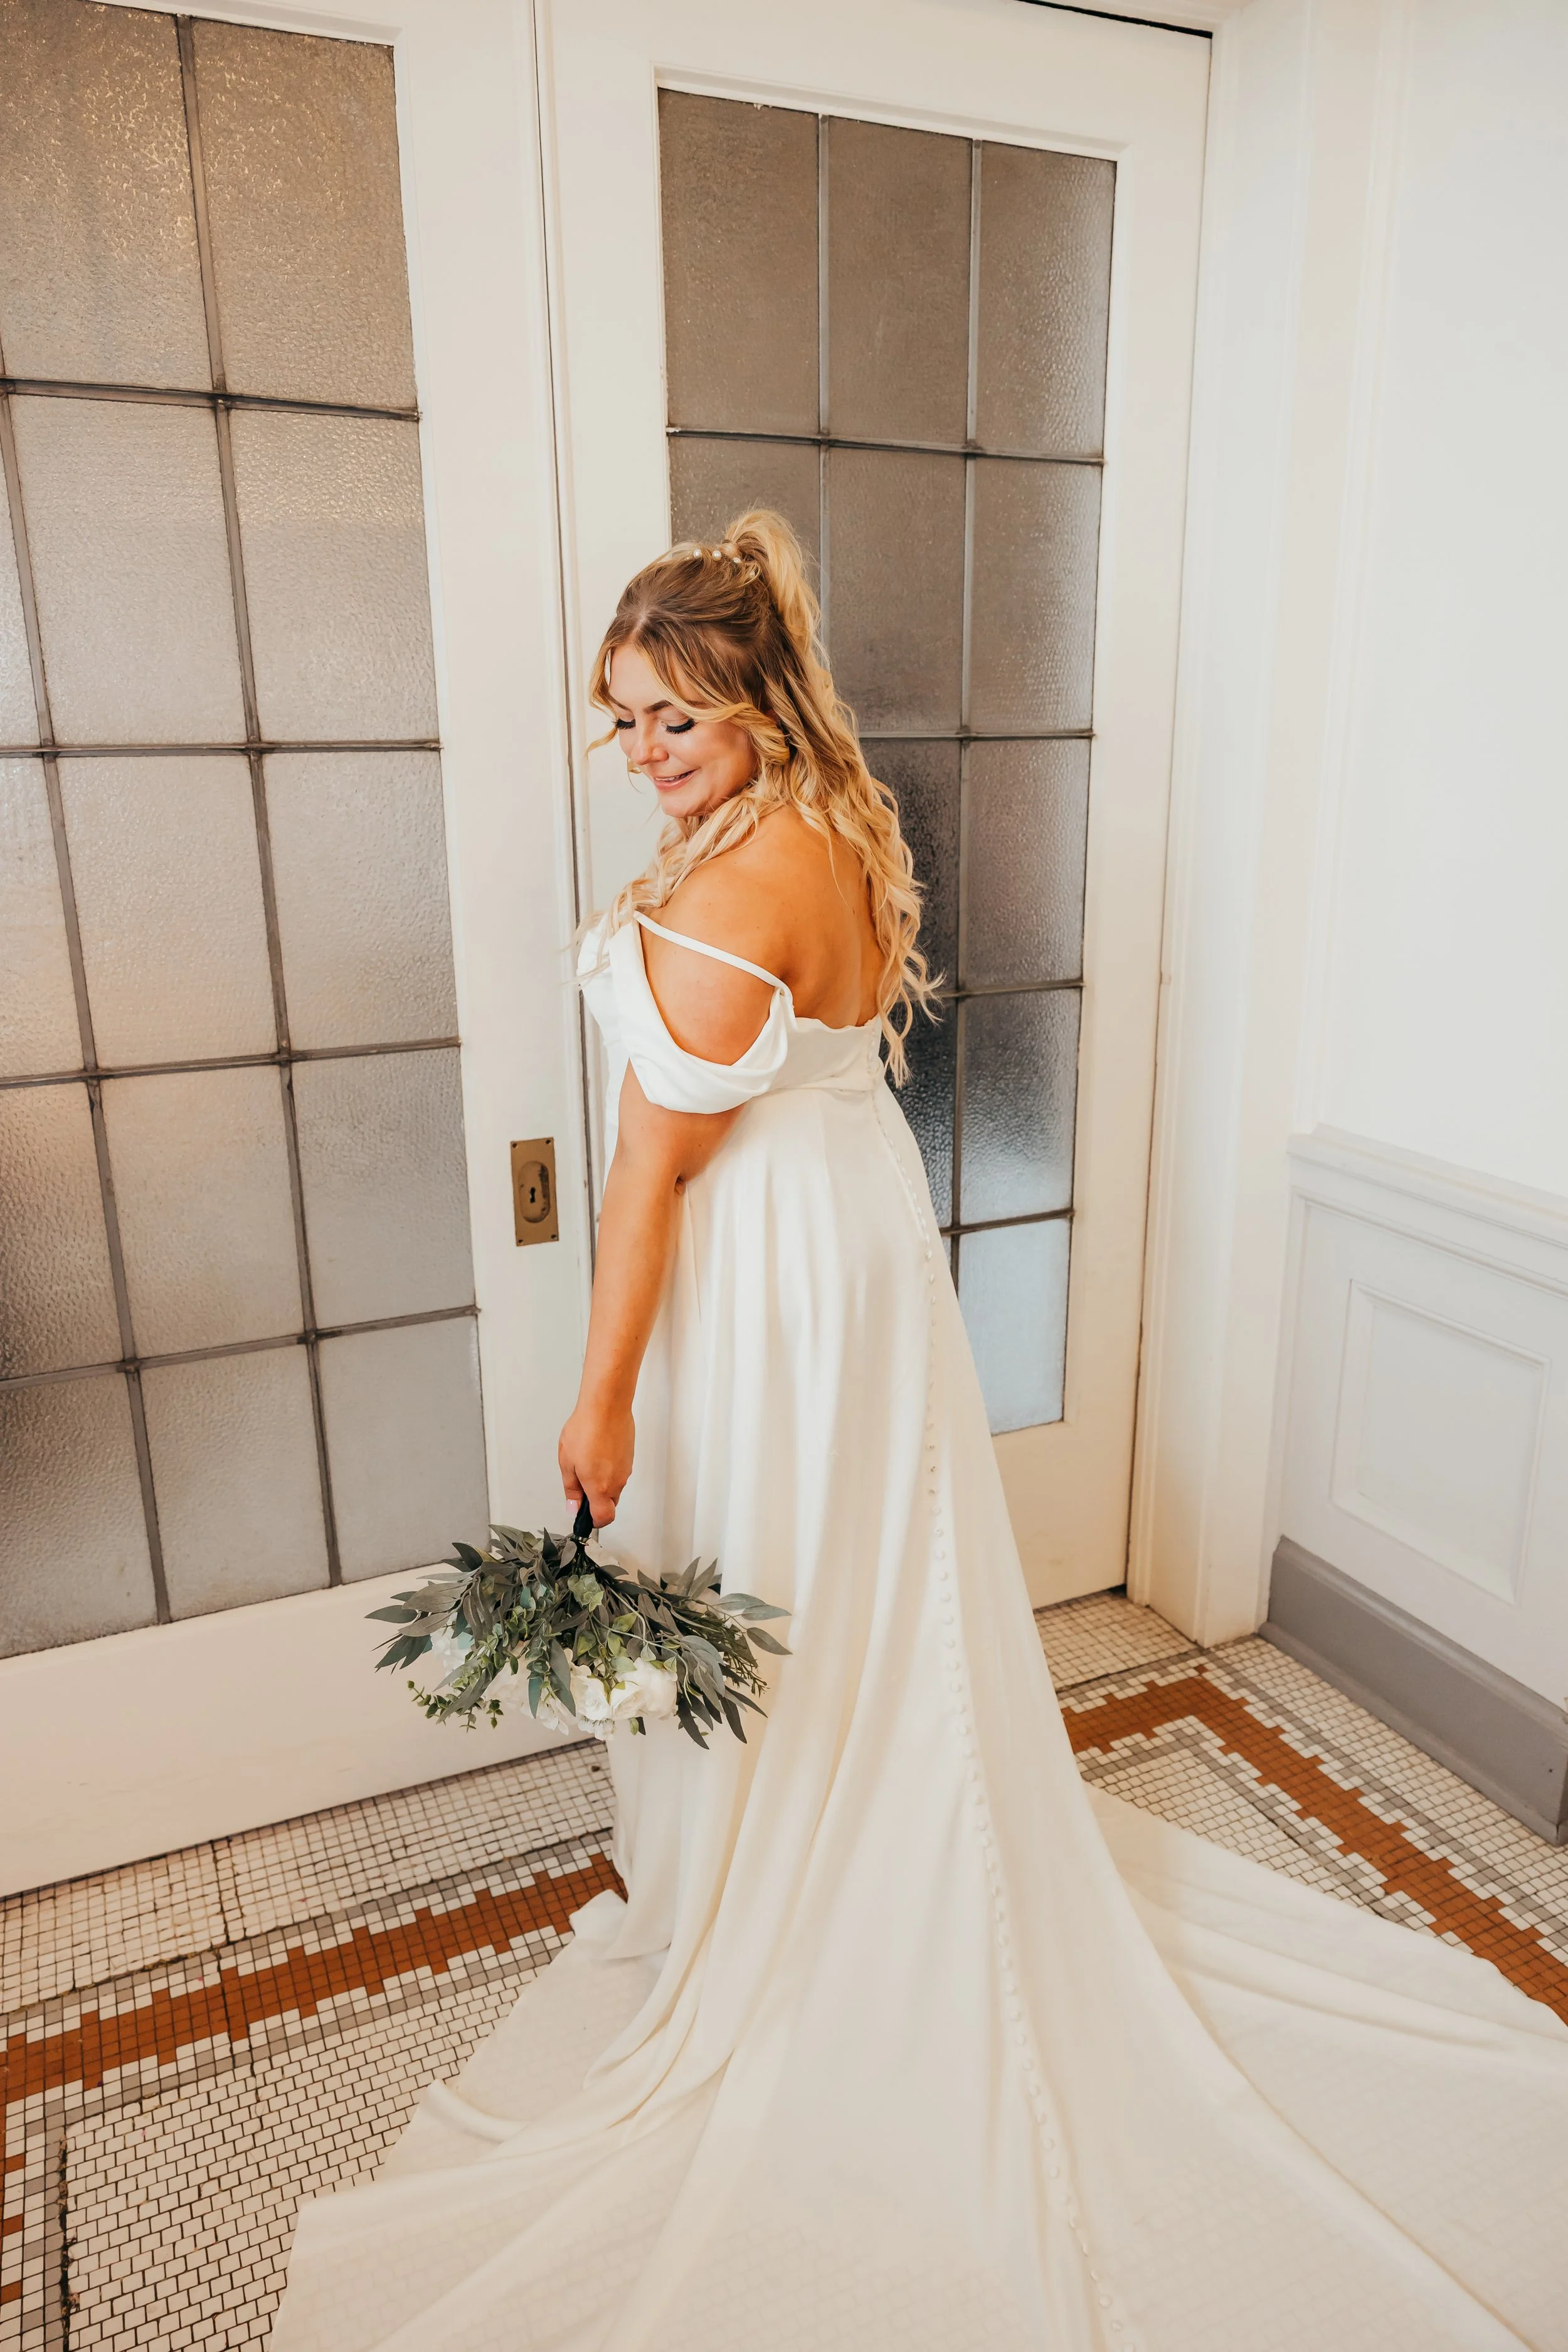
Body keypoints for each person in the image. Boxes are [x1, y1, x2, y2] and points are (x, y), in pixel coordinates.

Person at [272, 514, 1568, 2351]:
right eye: (626, 724)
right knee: (836, 1578)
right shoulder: (821, 830)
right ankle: (802, 1832)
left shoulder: (737, 885)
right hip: (840, 1232)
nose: (646, 760)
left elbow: (645, 1173)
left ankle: (819, 1886)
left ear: (759, 703)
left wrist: (598, 1390)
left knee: (790, 1568)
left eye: (679, 726)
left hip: (773, 1265)